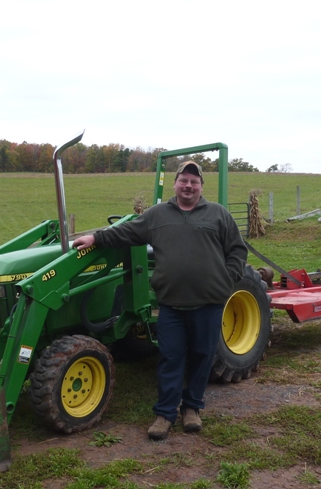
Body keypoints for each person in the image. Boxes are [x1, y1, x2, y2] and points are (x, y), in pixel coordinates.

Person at [72, 160, 247, 440]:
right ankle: (165, 414)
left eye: (194, 181)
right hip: (172, 305)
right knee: (170, 358)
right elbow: (127, 232)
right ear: (175, 183)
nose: (188, 186)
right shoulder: (157, 215)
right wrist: (96, 237)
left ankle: (192, 409)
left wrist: (228, 278)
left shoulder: (218, 215)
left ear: (201, 186)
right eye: (184, 180)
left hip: (209, 303)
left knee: (202, 356)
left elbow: (237, 250)